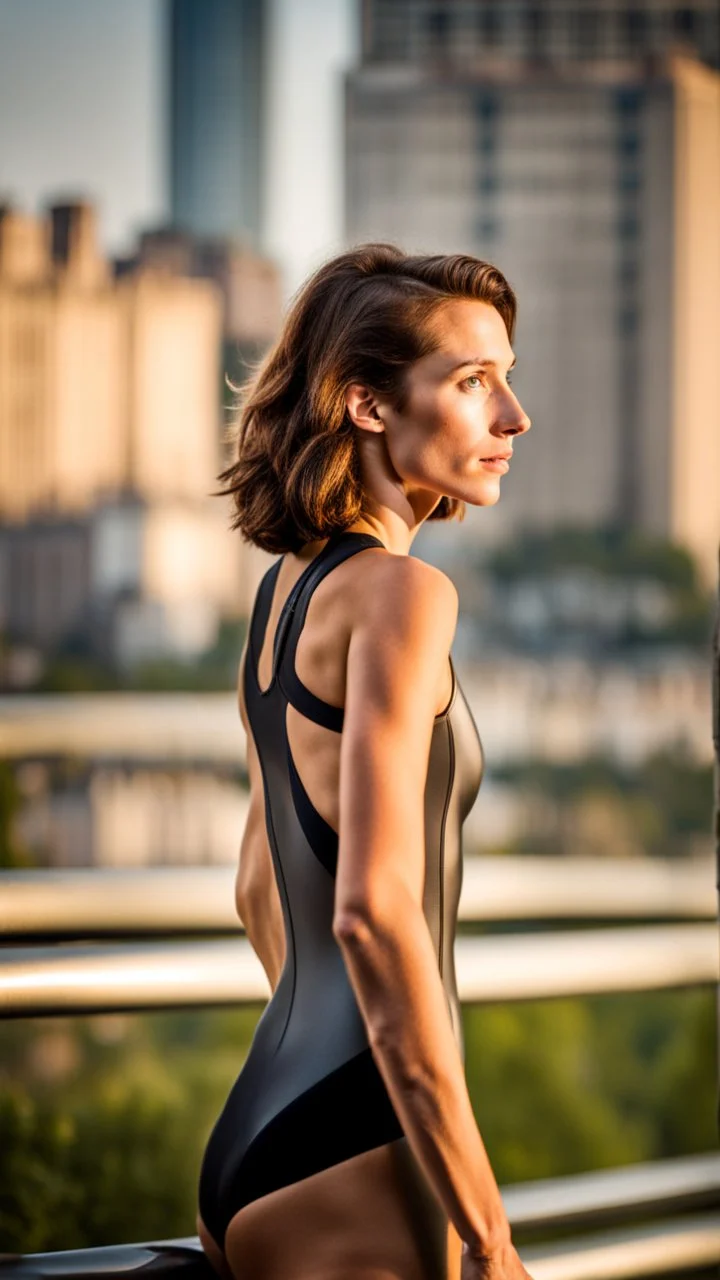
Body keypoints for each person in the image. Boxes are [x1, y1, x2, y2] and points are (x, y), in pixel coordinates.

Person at [196, 243, 533, 1280]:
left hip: (267, 1122)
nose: (512, 418)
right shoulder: (402, 597)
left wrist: (319, 1051)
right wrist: (487, 1230)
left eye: (507, 379)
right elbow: (375, 912)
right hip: (360, 1149)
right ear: (368, 405)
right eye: (474, 382)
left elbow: (261, 887)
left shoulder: (289, 591)